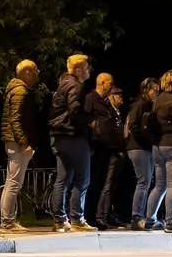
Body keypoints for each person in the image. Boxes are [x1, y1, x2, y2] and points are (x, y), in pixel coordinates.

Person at [49, 54, 95, 232]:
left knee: (63, 178)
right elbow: (74, 109)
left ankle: (60, 220)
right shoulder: (75, 85)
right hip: (72, 135)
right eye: (86, 67)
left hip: (58, 135)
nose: (89, 70)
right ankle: (77, 219)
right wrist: (89, 120)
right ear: (78, 70)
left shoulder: (63, 83)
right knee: (82, 179)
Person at [0, 59, 46, 232]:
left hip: (14, 140)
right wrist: (25, 142)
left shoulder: (16, 90)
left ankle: (8, 220)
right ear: (27, 73)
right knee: (13, 182)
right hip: (17, 142)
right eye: (35, 70)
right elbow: (16, 119)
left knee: (12, 181)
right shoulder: (20, 91)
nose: (37, 73)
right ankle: (7, 222)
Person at [145, 70, 172, 232]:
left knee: (160, 185)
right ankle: (171, 222)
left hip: (158, 146)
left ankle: (150, 219)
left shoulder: (157, 100)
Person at [87, 76, 125, 229]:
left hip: (107, 148)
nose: (112, 86)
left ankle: (96, 217)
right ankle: (90, 216)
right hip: (96, 147)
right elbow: (85, 117)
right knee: (94, 183)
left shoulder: (105, 103)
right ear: (101, 83)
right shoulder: (91, 98)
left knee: (102, 183)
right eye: (110, 83)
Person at [124, 78, 159, 230]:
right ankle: (136, 217)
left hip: (143, 147)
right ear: (146, 90)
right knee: (143, 182)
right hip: (139, 147)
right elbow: (133, 125)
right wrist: (148, 138)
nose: (156, 93)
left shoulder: (148, 105)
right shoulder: (140, 105)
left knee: (145, 181)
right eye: (154, 90)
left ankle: (140, 216)